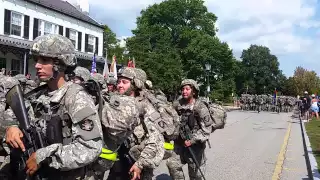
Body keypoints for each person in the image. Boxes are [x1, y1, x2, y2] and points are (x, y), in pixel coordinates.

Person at [3, 34, 103, 180]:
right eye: (37, 60)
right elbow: (11, 115)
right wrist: (11, 127)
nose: (37, 65)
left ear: (60, 64)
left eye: (44, 60)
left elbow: (91, 147)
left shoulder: (76, 98)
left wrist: (45, 156)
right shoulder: (36, 94)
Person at [107, 67, 164, 180]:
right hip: (118, 159)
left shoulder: (145, 106)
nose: (119, 85)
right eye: (118, 81)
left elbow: (156, 139)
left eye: (125, 82)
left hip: (138, 161)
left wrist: (140, 164)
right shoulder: (115, 103)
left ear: (135, 84)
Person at [167, 79, 212, 180]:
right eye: (183, 89)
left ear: (194, 91)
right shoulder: (176, 105)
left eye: (187, 89)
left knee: (195, 175)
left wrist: (192, 140)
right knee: (172, 165)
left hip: (195, 146)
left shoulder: (200, 107)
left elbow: (207, 129)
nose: (184, 91)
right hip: (179, 144)